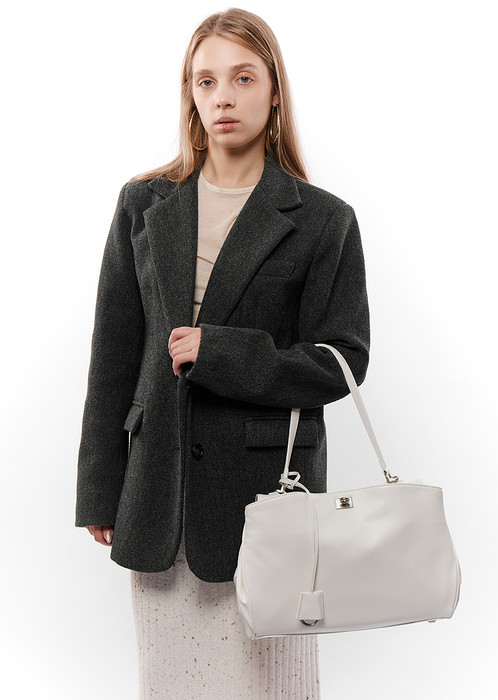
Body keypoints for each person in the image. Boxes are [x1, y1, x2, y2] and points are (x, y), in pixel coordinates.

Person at [75, 7, 370, 698]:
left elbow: (341, 362)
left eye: (242, 77)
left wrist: (224, 353)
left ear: (274, 91)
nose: (223, 97)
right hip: (160, 489)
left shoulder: (323, 219)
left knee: (273, 687)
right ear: (190, 95)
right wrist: (100, 488)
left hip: (267, 497)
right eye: (205, 81)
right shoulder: (144, 203)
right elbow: (113, 352)